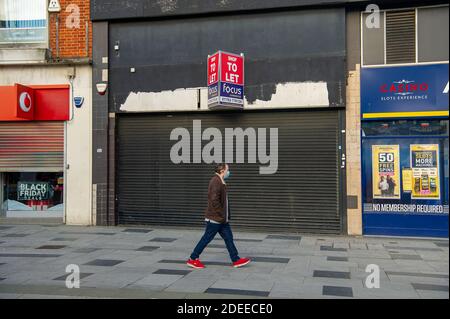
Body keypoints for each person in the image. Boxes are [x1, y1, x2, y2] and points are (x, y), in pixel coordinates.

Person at [187, 163, 251, 269]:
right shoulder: (215, 181)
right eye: (227, 170)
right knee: (206, 238)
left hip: (222, 220)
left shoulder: (220, 181)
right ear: (222, 171)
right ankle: (193, 259)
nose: (228, 172)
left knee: (229, 238)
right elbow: (214, 200)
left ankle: (236, 260)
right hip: (215, 219)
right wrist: (221, 213)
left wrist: (224, 216)